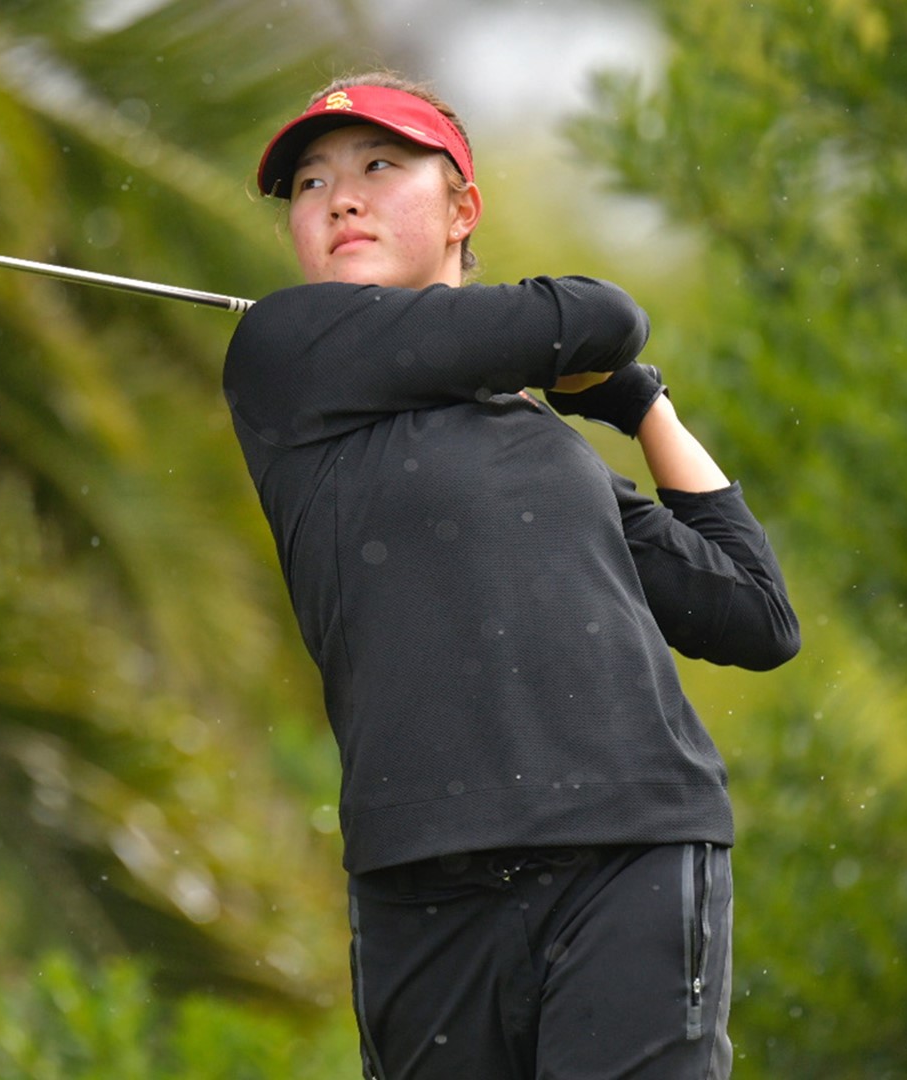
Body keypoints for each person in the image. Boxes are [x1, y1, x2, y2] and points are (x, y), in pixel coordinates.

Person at [223, 72, 800, 1080]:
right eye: (310, 185)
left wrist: (642, 411)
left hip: (629, 850)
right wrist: (595, 356)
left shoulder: (554, 454)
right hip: (421, 882)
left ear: (462, 210)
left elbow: (756, 614)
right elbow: (598, 313)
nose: (340, 197)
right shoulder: (283, 351)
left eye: (378, 166)